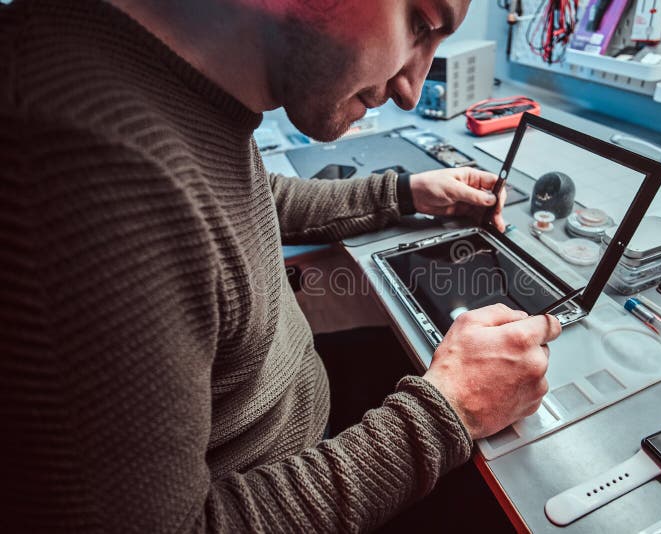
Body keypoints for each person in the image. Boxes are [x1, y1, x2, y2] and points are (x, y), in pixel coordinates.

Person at [0, 0, 562, 532]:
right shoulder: (80, 162)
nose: (411, 88)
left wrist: (407, 193)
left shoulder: (156, 81)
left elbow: (236, 195)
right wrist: (449, 413)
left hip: (292, 403)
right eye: (418, 23)